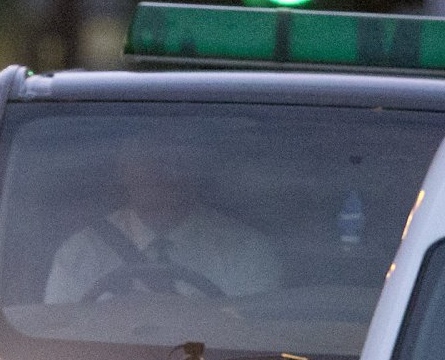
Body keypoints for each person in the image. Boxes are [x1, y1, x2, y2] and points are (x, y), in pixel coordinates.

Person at [42, 130, 281, 304]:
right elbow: (57, 343)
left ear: (195, 170)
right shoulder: (82, 252)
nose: (161, 171)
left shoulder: (246, 252)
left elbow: (253, 340)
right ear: (123, 170)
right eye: (147, 159)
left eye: (173, 159)